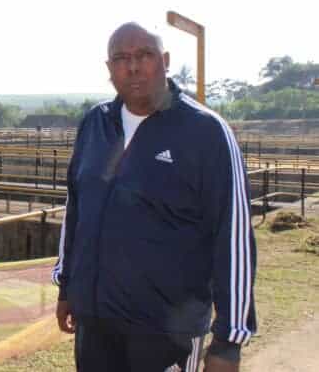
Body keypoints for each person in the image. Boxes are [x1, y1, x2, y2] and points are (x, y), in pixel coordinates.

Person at [52, 22, 256, 372]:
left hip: (167, 332)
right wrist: (67, 287)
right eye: (121, 58)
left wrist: (228, 341)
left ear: (165, 60)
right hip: (96, 324)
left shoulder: (205, 132)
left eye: (144, 55)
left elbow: (232, 234)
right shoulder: (94, 124)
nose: (132, 67)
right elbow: (77, 211)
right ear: (109, 69)